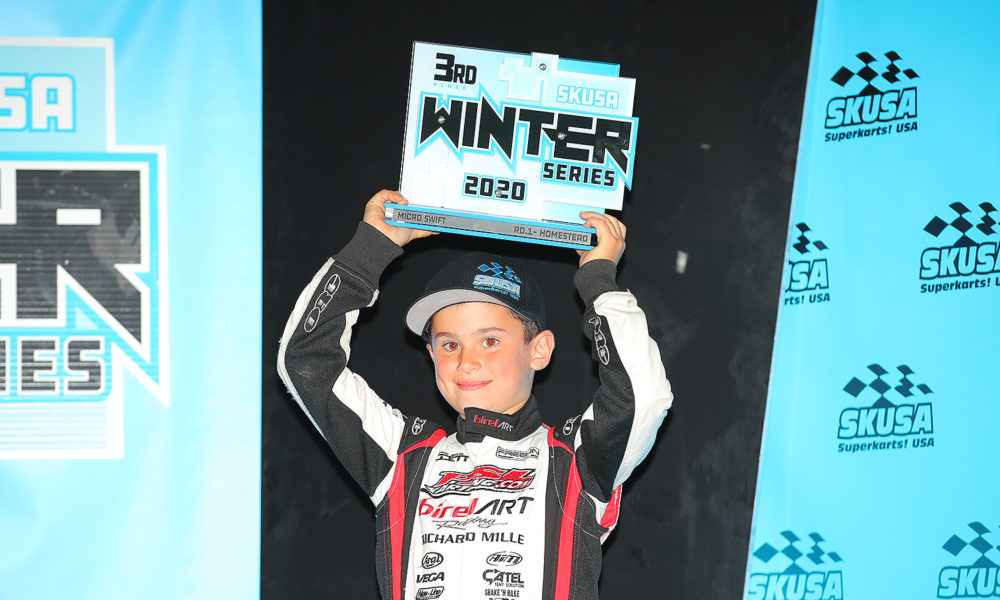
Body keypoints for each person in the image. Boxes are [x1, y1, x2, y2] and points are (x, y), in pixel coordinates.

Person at [277, 190, 672, 600]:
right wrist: (368, 251)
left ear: (538, 350)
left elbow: (643, 397)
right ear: (431, 355)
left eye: (490, 341)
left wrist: (599, 282)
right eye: (449, 344)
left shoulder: (575, 458)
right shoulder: (403, 456)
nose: (466, 361)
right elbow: (305, 361)